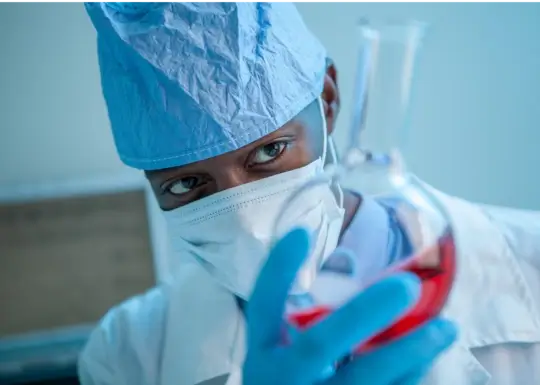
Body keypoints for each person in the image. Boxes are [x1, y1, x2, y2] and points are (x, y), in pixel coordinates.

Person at [79, 1, 540, 385]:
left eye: (269, 151)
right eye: (185, 183)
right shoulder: (127, 354)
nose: (247, 222)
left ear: (328, 99)